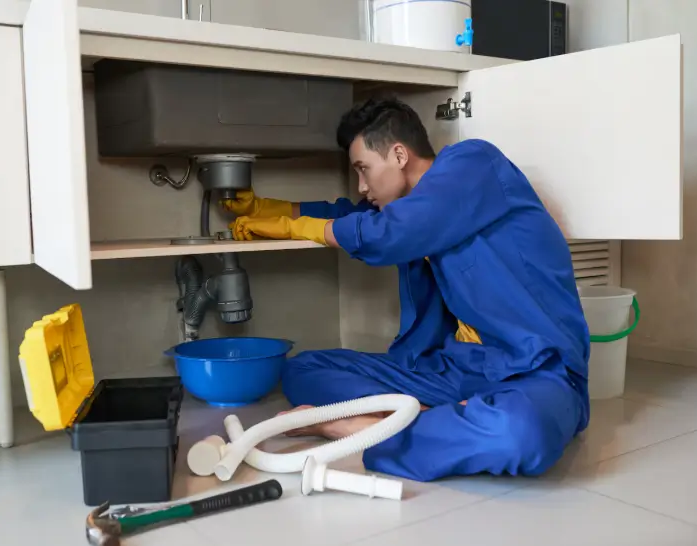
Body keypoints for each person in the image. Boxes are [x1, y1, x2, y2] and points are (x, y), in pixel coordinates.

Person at [222, 98, 590, 482]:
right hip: (456, 369)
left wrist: (298, 229)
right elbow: (353, 215)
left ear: (399, 154)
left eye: (364, 170)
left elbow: (389, 232)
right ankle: (440, 424)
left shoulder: (475, 163)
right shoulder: (411, 205)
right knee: (303, 370)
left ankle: (354, 428)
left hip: (537, 371)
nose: (362, 186)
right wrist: (271, 208)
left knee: (522, 434)